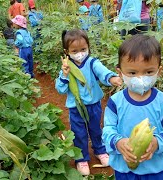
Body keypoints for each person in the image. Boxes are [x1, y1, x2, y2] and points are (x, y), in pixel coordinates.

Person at [102, 34, 163, 179]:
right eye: (132, 72)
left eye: (149, 72)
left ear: (159, 70)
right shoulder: (115, 102)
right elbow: (108, 130)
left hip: (156, 171)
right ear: (120, 73)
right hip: (124, 171)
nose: (140, 78)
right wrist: (118, 142)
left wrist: (157, 142)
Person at [55, 29, 122, 176]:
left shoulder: (92, 63)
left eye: (83, 49)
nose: (80, 53)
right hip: (75, 108)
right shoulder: (67, 67)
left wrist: (113, 79)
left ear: (88, 47)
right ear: (67, 51)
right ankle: (81, 159)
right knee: (79, 133)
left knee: (96, 129)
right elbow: (60, 89)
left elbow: (103, 72)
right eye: (75, 50)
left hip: (94, 105)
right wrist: (64, 75)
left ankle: (100, 151)